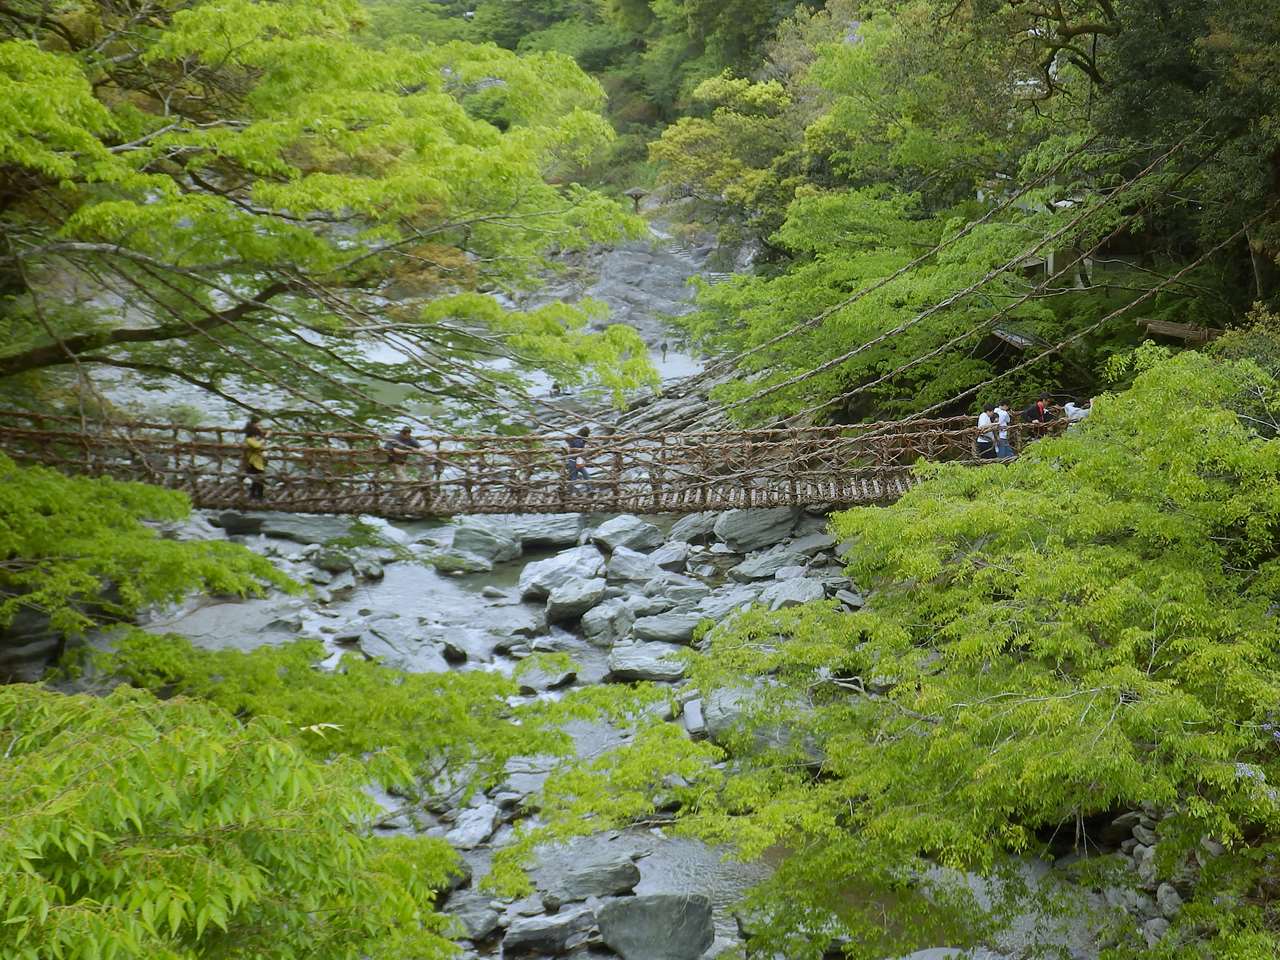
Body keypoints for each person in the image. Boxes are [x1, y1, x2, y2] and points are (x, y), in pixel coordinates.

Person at [242, 417, 269, 500]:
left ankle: (254, 495)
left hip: (258, 461)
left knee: (257, 479)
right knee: (258, 479)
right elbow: (257, 445)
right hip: (253, 462)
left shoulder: (254, 439)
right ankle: (257, 496)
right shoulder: (249, 439)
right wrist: (266, 437)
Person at [566, 426, 590, 491]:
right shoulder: (578, 440)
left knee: (575, 477)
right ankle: (589, 489)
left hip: (574, 460)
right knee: (582, 476)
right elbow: (578, 447)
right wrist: (584, 446)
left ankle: (572, 492)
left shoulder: (575, 438)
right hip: (575, 461)